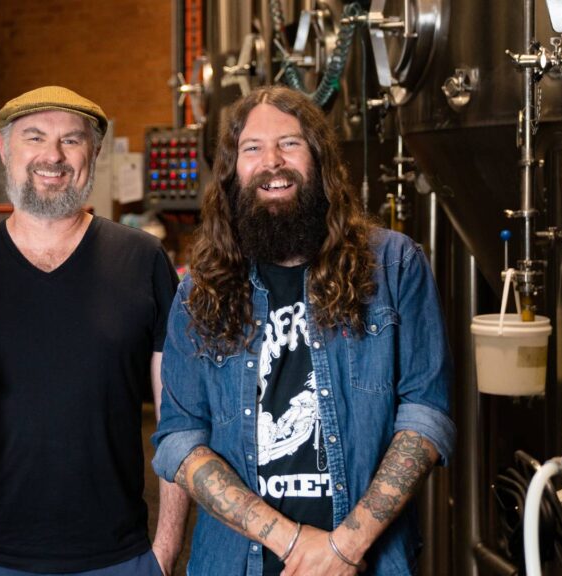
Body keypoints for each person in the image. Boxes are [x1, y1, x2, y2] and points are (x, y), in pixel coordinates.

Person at [151, 85, 455, 576]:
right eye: (252, 148)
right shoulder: (198, 292)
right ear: (232, 172)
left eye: (289, 143)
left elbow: (425, 416)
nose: (272, 161)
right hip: (235, 564)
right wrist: (294, 543)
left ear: (319, 158)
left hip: (368, 563)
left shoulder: (394, 265)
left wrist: (344, 548)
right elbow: (180, 440)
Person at [0, 86, 189, 575]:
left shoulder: (141, 260)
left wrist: (164, 551)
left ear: (93, 155)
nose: (53, 155)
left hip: (118, 558)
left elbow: (176, 417)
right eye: (34, 137)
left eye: (72, 140)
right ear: (5, 149)